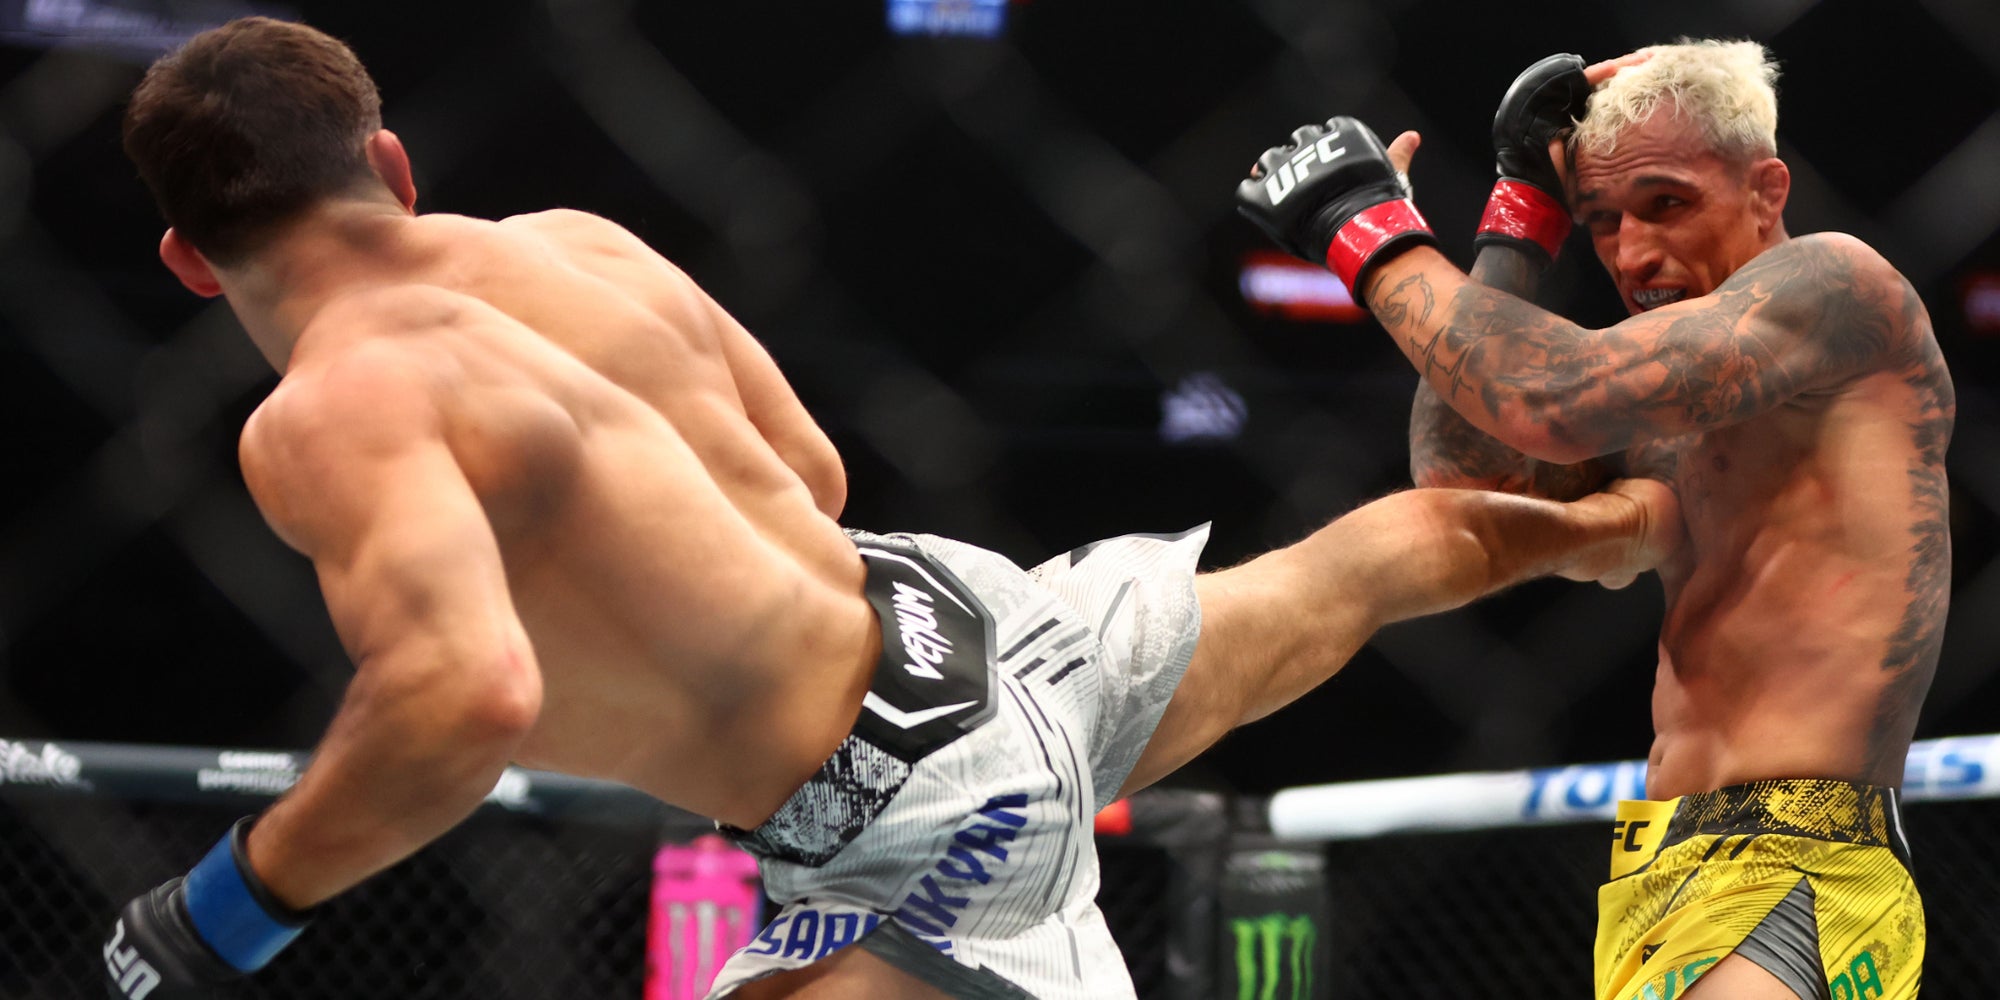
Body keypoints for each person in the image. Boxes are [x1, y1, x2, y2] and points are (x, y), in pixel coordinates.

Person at [101, 17, 1679, 1000]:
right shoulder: (571, 242)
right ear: (389, 162)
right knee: (1355, 572)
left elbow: (463, 692)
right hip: (970, 618)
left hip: (900, 826)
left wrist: (222, 909)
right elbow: (810, 476)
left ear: (187, 262)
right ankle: (1624, 534)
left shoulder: (321, 411)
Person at [1236, 38, 1949, 1000]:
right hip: (1661, 865)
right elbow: (1464, 476)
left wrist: (1367, 234)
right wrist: (1521, 213)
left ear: (1767, 190)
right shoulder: (1665, 410)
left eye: (1666, 204)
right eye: (1600, 219)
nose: (1633, 253)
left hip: (1805, 859)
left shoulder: (1840, 289)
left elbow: (1552, 394)